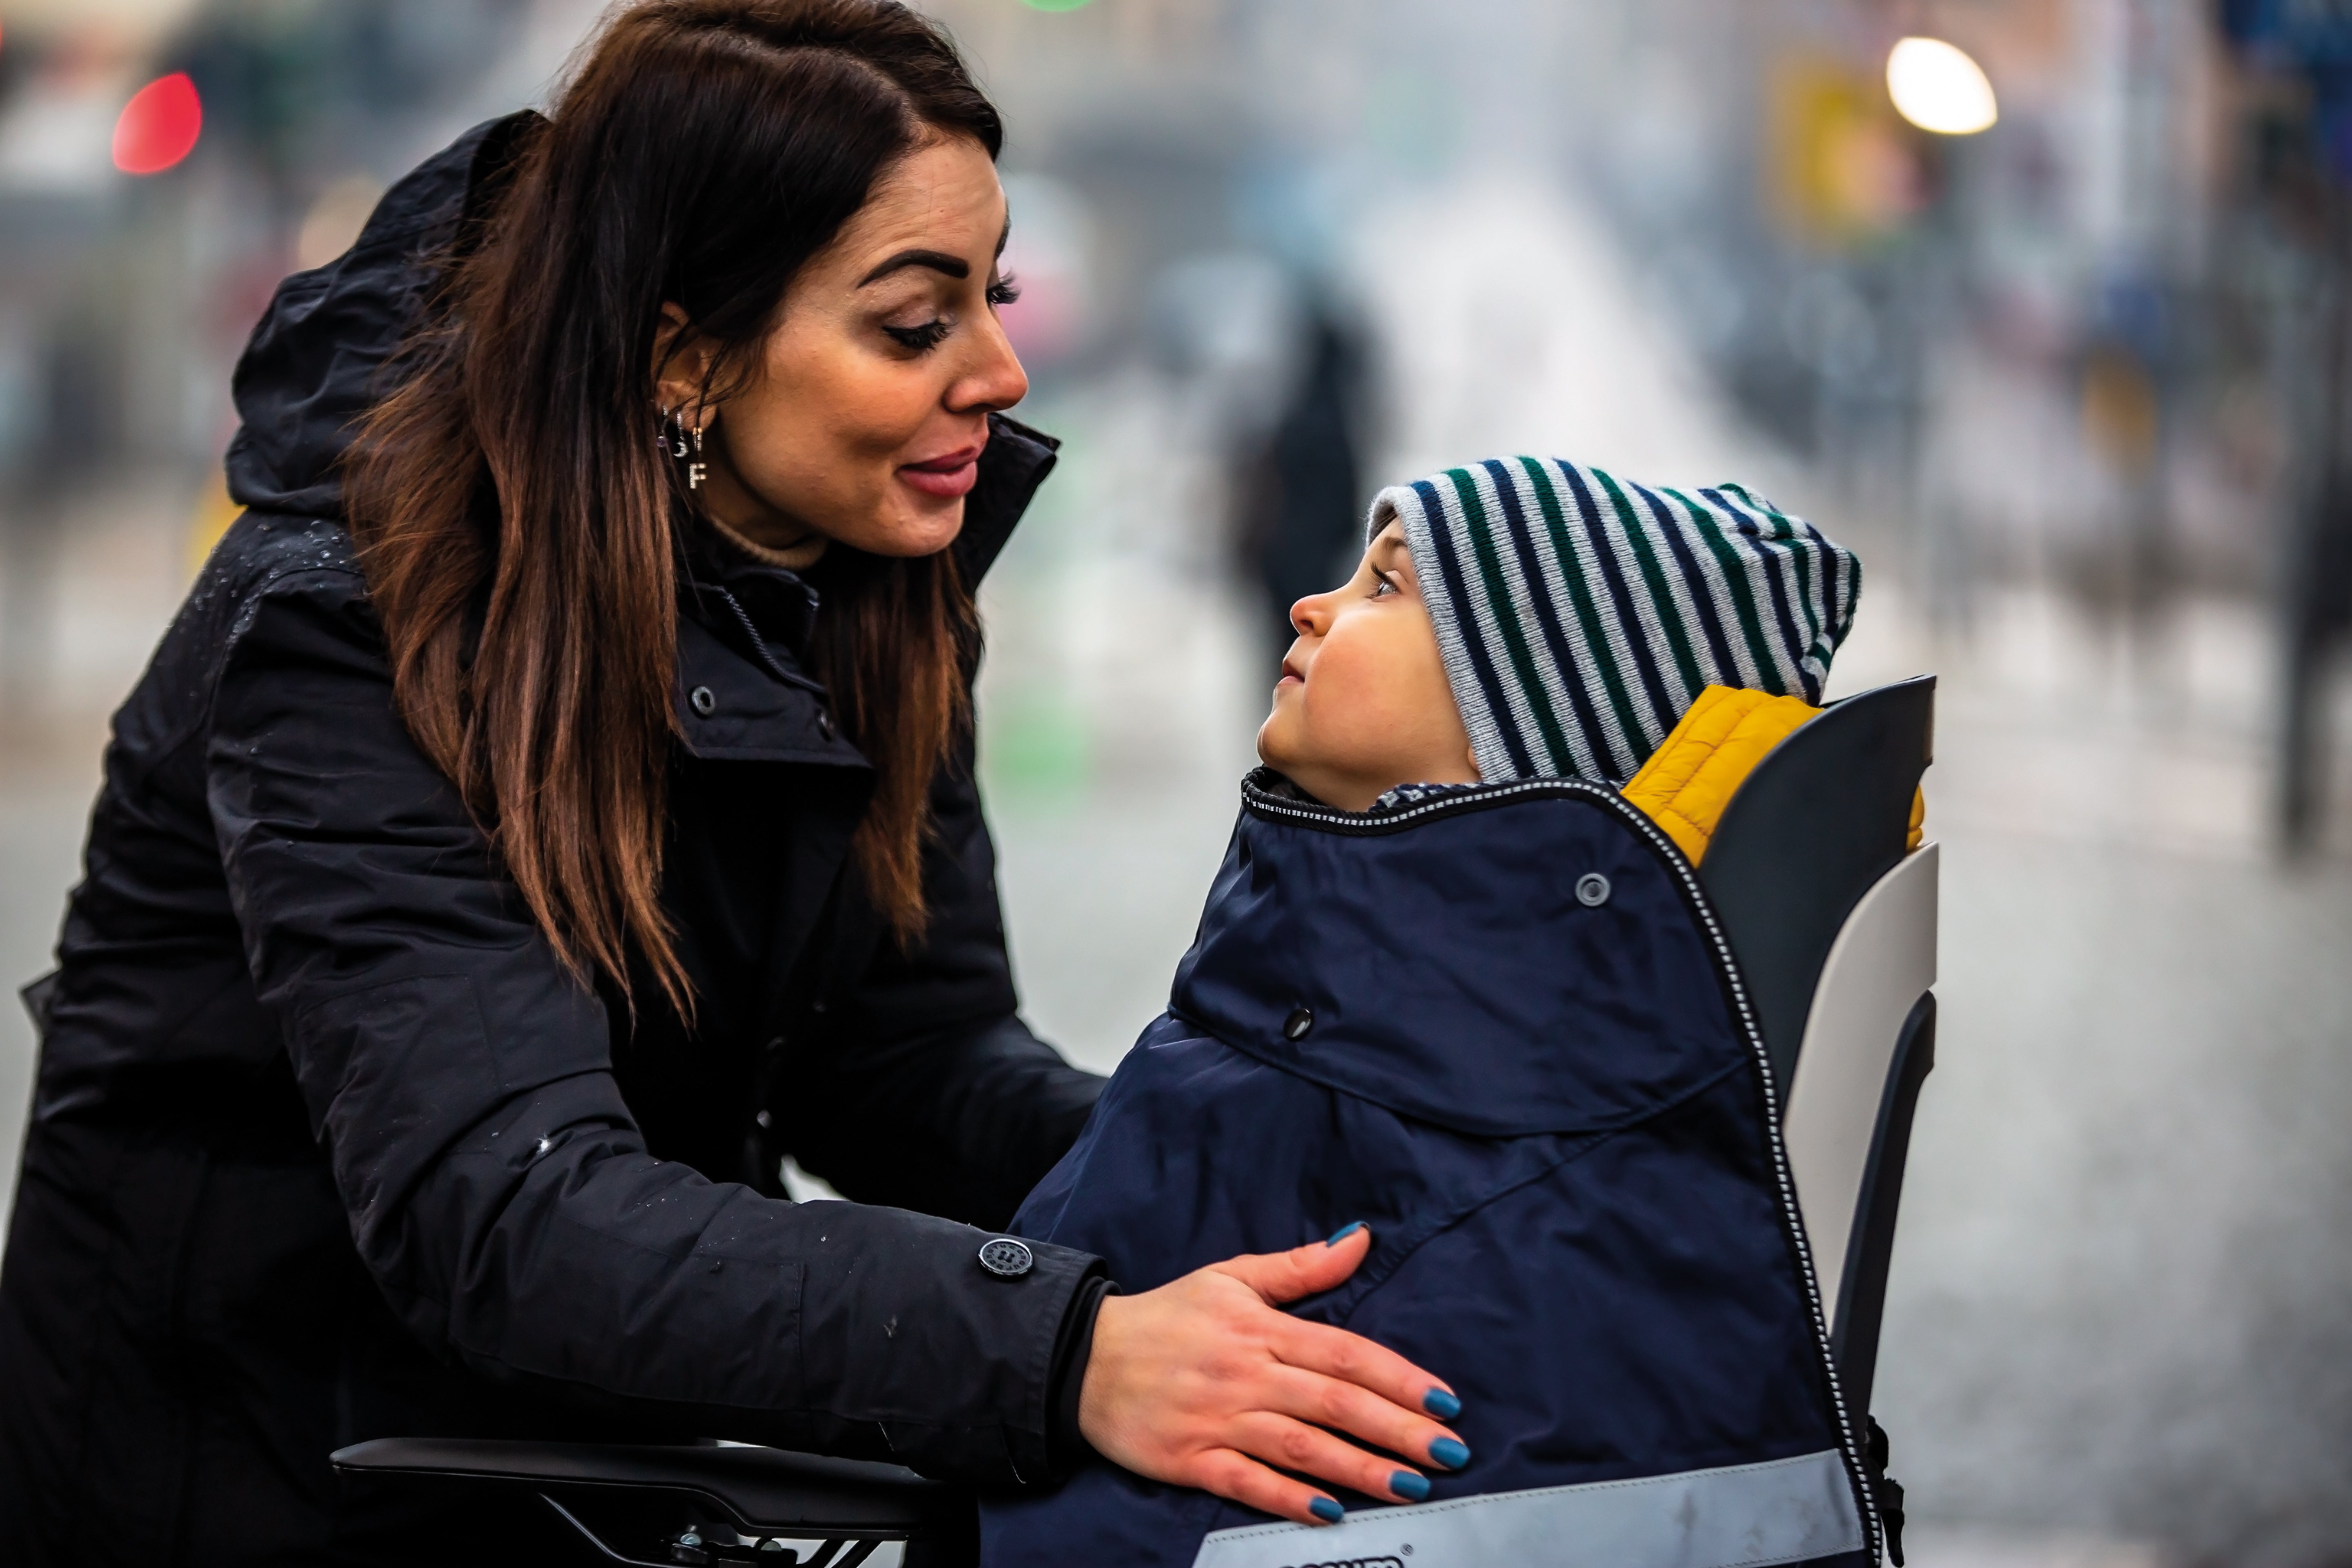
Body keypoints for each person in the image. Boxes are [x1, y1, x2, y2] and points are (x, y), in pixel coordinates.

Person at [0, 5, 1460, 1561]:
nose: (1002, 368)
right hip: (252, 1478)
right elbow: (509, 1210)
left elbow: (906, 1061)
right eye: (914, 326)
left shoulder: (866, 585)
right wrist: (1060, 1353)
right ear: (683, 358)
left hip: (583, 1470)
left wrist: (1281, 1197)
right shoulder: (352, 632)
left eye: (996, 294)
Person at [983, 459, 1889, 1566]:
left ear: (1526, 726)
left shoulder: (1447, 1098)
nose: (1312, 605)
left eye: (1385, 588)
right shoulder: (1390, 1021)